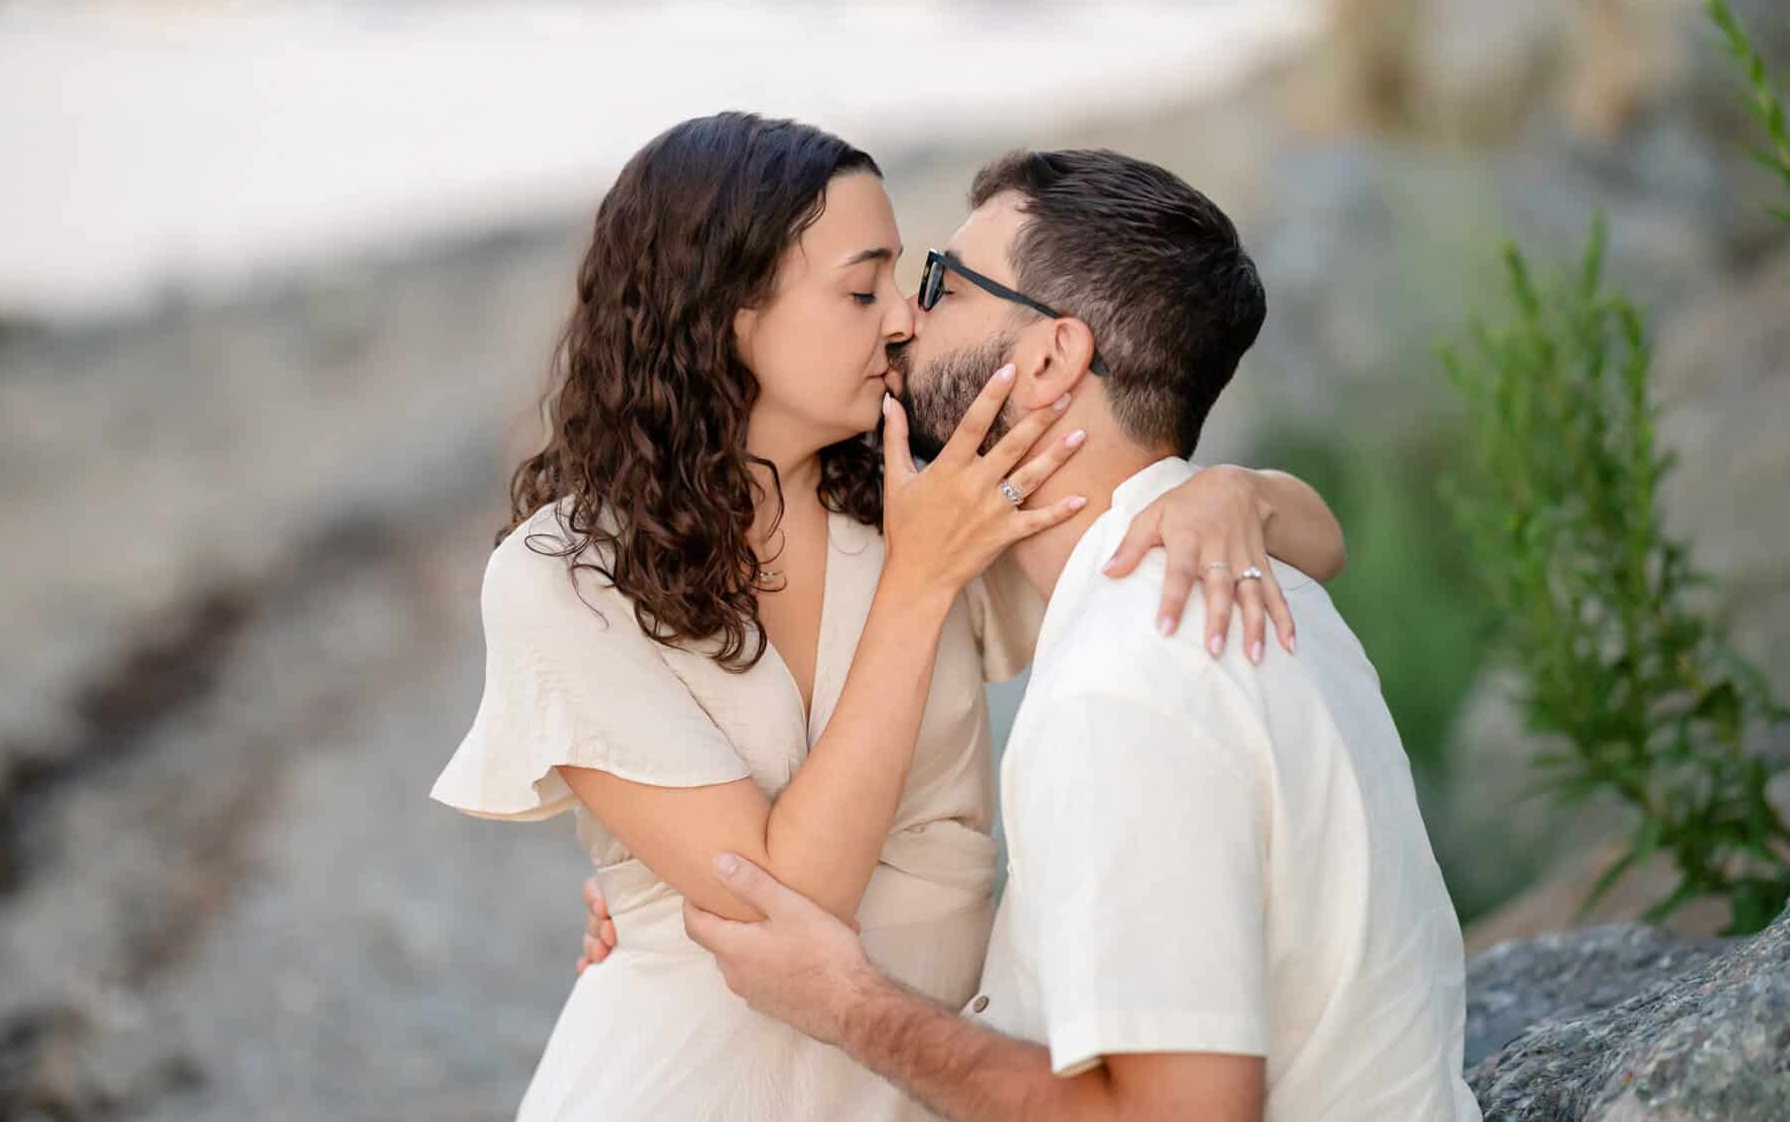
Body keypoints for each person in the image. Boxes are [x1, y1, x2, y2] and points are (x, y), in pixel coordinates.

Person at [431, 113, 1347, 1121]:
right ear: (727, 308)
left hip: (917, 1080)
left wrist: (1232, 496)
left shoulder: (915, 493)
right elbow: (780, 899)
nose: (905, 321)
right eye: (864, 290)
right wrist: (918, 587)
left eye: (909, 286)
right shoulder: (567, 577)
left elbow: (1314, 543)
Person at [676, 148, 1482, 1121]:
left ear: (1052, 358)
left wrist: (847, 1004)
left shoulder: (1125, 682)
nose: (904, 320)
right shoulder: (1268, 581)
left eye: (942, 284)